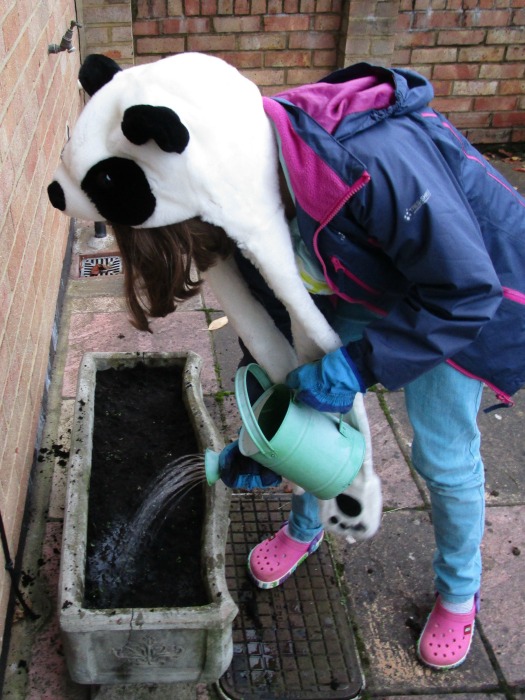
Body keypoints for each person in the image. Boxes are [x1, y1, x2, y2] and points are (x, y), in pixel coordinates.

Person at [109, 62, 524, 672]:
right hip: (361, 278)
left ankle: (459, 590)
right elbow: (270, 321)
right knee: (311, 401)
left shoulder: (371, 159)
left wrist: (360, 366)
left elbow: (464, 292)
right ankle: (308, 526)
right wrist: (268, 441)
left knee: (442, 454)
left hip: (458, 298)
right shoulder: (229, 206)